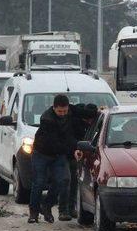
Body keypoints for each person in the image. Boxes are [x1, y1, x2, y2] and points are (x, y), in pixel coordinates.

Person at [28, 95, 97, 224]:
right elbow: (57, 142)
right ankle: (34, 212)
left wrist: (97, 111)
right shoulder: (47, 119)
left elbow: (85, 113)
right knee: (39, 182)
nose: (63, 114)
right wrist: (73, 149)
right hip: (42, 153)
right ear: (54, 108)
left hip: (59, 154)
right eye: (59, 111)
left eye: (65, 111)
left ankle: (47, 206)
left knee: (64, 180)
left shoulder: (71, 110)